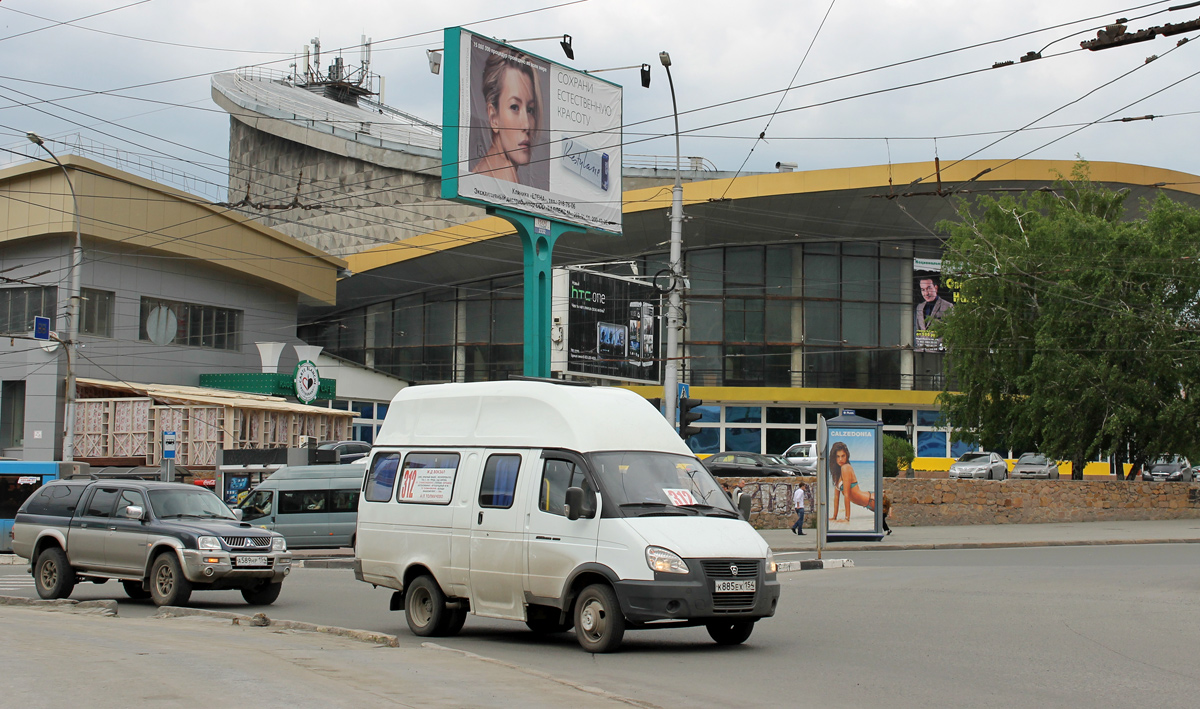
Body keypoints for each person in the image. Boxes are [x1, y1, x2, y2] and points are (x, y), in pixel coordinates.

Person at [471, 50, 541, 185]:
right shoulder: (505, 177)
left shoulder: (481, 175)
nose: (526, 125)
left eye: (530, 109)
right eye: (514, 107)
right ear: (493, 117)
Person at [828, 441, 875, 522]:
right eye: (837, 456)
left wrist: (847, 518)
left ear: (847, 456)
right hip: (868, 500)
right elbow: (836, 497)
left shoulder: (846, 468)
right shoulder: (837, 473)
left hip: (871, 500)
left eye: (843, 456)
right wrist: (834, 517)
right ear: (834, 458)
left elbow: (847, 495)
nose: (840, 459)